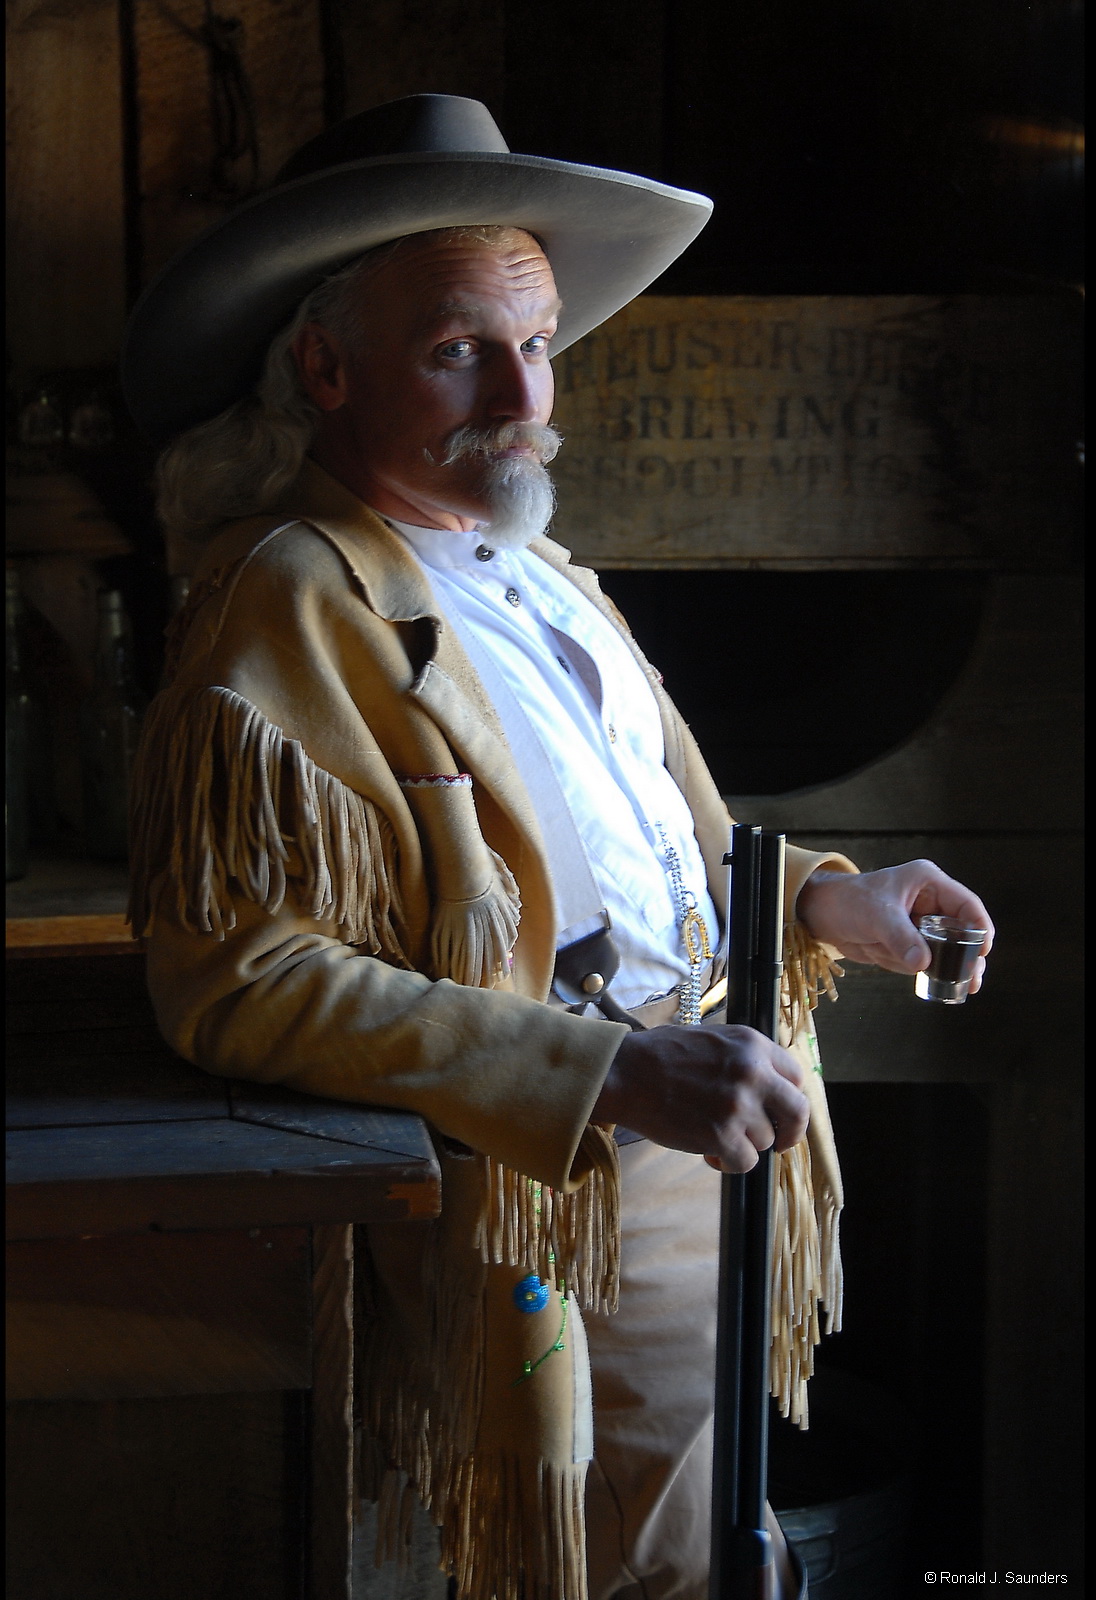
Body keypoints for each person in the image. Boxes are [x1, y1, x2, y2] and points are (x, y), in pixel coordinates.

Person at [121, 95, 993, 1600]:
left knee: (709, 1552)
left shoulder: (543, 575)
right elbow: (238, 981)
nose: (523, 391)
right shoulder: (289, 600)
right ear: (325, 369)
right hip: (543, 1189)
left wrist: (829, 904)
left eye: (537, 344)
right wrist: (603, 1072)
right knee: (613, 1574)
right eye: (461, 348)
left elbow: (637, 865)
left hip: (705, 1138)